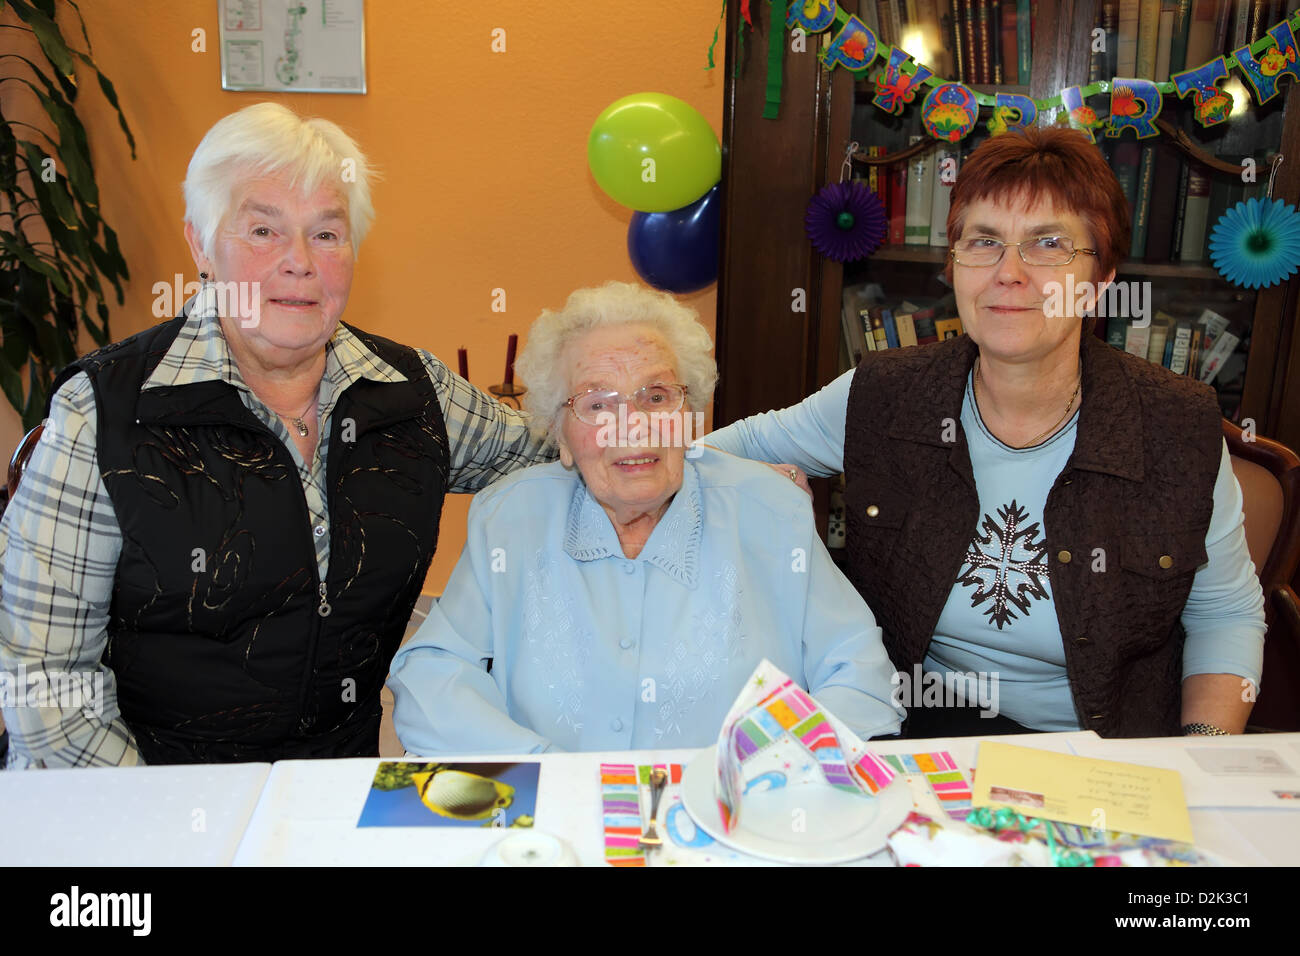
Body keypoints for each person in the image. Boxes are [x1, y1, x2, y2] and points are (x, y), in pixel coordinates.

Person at [0, 103, 550, 767]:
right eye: (263, 230)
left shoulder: (411, 392)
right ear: (201, 245)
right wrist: (175, 831)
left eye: (326, 234)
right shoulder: (104, 413)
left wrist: (643, 414)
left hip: (331, 795)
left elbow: (556, 450)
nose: (300, 263)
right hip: (143, 798)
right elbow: (45, 684)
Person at [705, 126, 1265, 738]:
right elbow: (713, 454)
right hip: (911, 737)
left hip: (1103, 753)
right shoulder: (882, 394)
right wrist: (764, 489)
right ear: (955, 266)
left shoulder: (1177, 425)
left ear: (1101, 280)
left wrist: (1202, 761)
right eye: (984, 241)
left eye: (1048, 244)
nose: (1010, 272)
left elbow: (1225, 615)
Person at [388, 282, 903, 753]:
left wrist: (765, 770)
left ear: (690, 413)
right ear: (561, 437)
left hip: (730, 830)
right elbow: (433, 674)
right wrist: (540, 769)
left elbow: (861, 676)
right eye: (598, 403)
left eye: (656, 397)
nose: (632, 426)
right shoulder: (509, 518)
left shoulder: (772, 510)